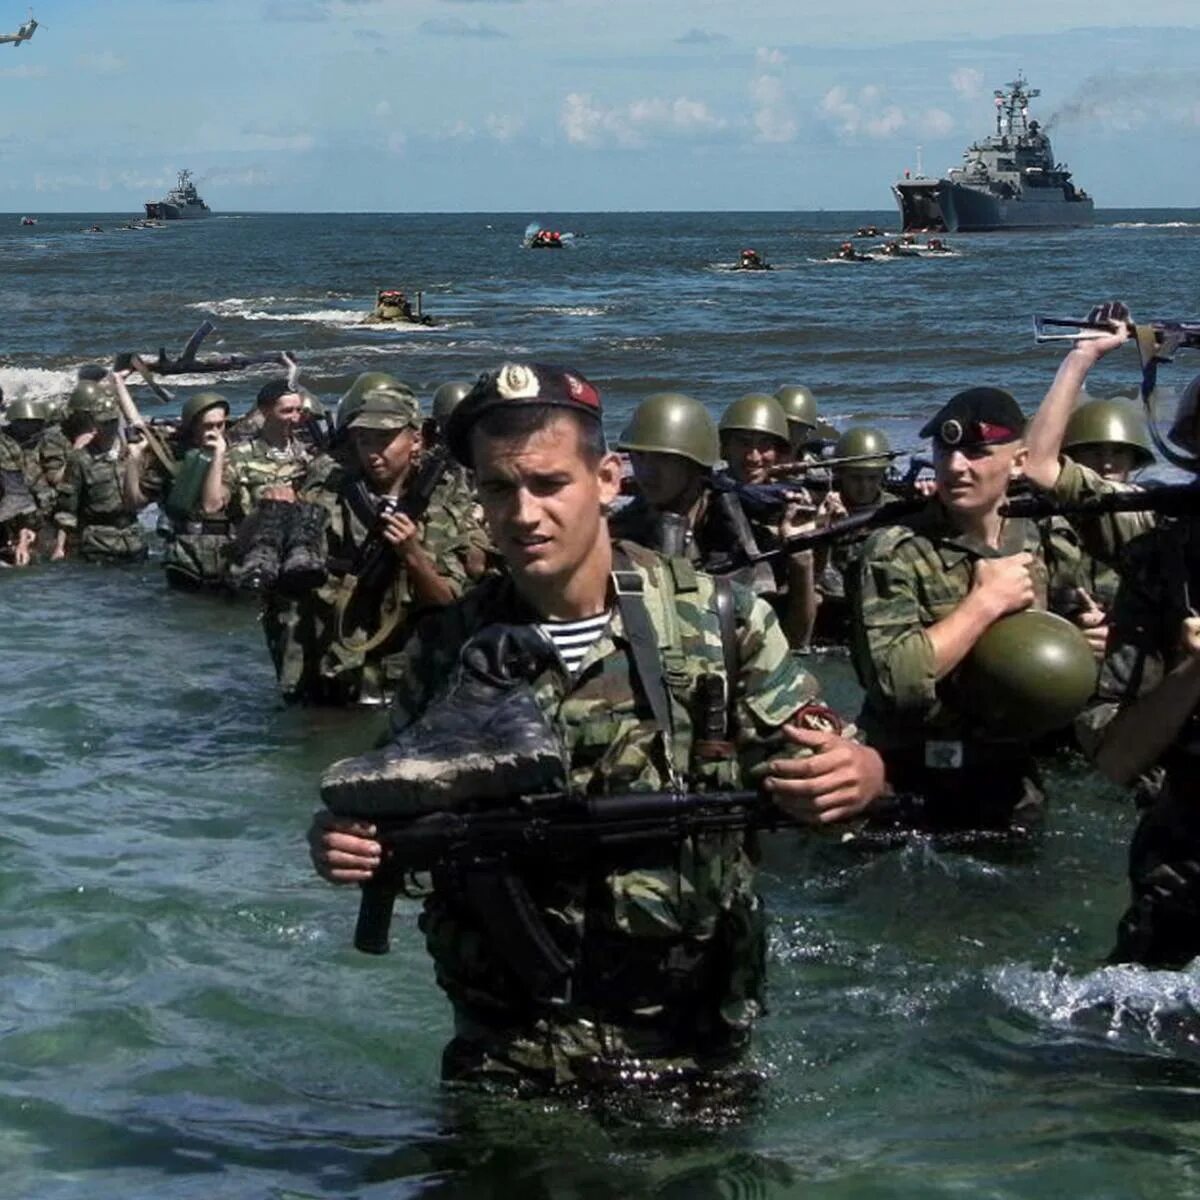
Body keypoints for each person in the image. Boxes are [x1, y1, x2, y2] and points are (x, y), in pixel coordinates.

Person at [308, 361, 886, 1093]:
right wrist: (344, 842)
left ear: (609, 480)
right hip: (504, 1050)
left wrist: (858, 773)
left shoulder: (717, 621)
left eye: (549, 484)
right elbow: (388, 796)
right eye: (497, 488)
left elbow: (822, 748)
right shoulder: (449, 647)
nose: (523, 515)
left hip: (685, 1042)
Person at [849, 386, 1088, 832]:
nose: (955, 466)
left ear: (1019, 460)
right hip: (909, 779)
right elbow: (894, 684)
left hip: (1011, 776)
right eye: (945, 450)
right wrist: (984, 603)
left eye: (977, 452)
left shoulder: (1046, 535)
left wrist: (1090, 637)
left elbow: (1075, 627)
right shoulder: (895, 550)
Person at [263, 380, 482, 706]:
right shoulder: (329, 489)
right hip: (333, 677)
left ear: (416, 439)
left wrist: (411, 554)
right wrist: (271, 517)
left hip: (410, 683)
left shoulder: (446, 497)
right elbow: (263, 568)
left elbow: (450, 602)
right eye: (364, 439)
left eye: (385, 438)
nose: (373, 451)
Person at [718, 394, 818, 649]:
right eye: (743, 443)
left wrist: (807, 553)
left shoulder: (789, 504)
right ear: (724, 448)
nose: (753, 457)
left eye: (764, 446)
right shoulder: (705, 499)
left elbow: (798, 638)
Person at [126, 390, 236, 591]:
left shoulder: (233, 458)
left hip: (225, 551)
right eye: (208, 426)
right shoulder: (171, 458)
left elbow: (212, 505)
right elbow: (136, 502)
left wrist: (218, 455)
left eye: (220, 425)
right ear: (192, 426)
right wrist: (133, 461)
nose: (214, 432)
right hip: (184, 553)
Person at [813, 426, 898, 644]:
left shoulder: (895, 509)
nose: (864, 486)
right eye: (856, 478)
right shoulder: (824, 508)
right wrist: (826, 527)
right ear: (840, 474)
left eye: (872, 478)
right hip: (835, 605)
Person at [51, 380, 147, 563]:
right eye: (105, 423)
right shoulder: (81, 458)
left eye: (113, 422)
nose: (110, 428)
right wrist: (60, 547)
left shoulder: (128, 454)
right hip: (99, 542)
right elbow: (67, 508)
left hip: (134, 540)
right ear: (95, 424)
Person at [215, 379, 311, 523]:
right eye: (287, 411)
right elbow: (216, 502)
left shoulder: (308, 456)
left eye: (299, 410)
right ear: (265, 411)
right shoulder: (239, 456)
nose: (295, 418)